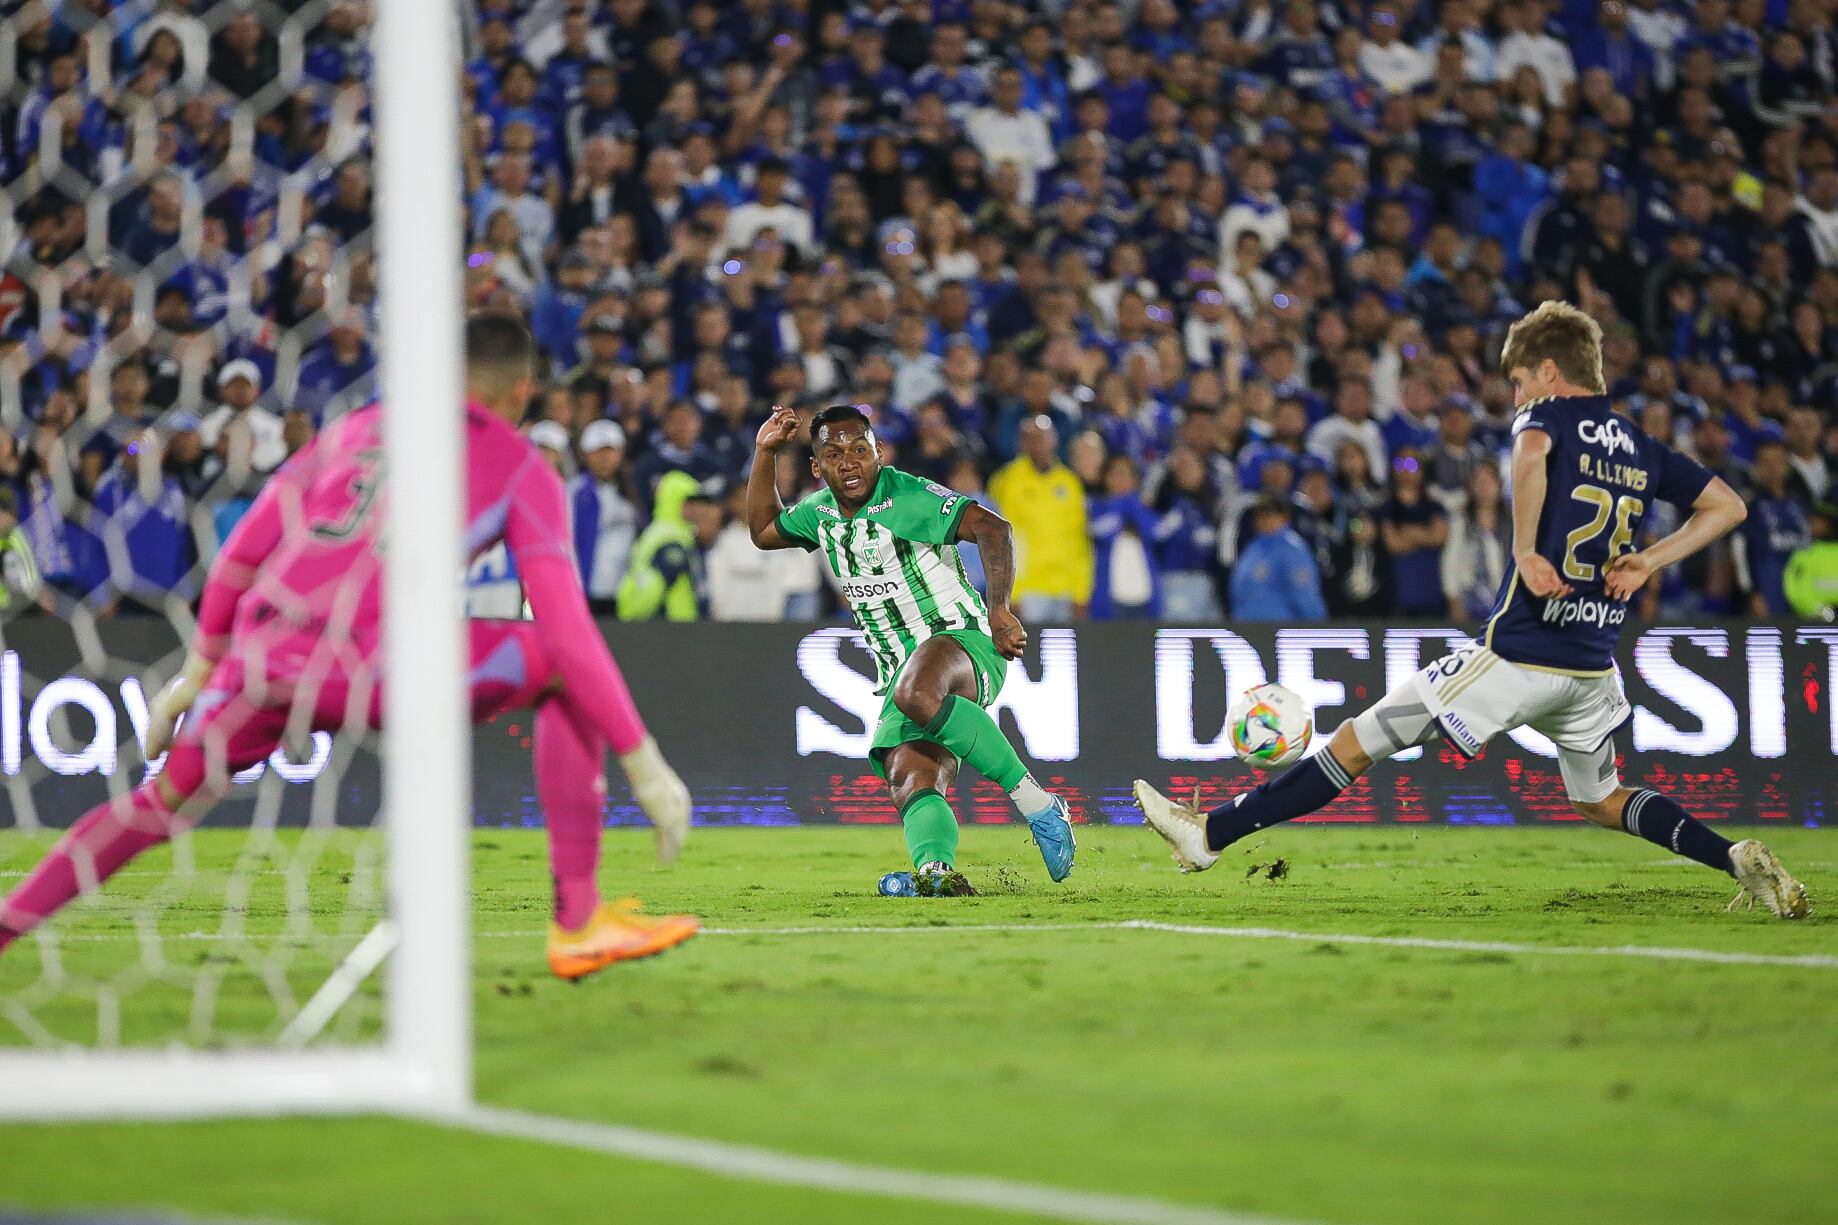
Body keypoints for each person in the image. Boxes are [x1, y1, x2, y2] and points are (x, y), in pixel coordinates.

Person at [0, 315, 699, 980]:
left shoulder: (354, 429)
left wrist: (196, 672)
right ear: (522, 391)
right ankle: (578, 917)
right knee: (552, 666)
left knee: (159, 804)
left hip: (261, 657)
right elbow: (566, 628)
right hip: (369, 664)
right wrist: (643, 760)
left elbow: (244, 551)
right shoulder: (522, 466)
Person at [1133, 302, 1808, 919]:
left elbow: (1532, 450)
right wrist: (1651, 559)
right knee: (1601, 798)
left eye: (1519, 382)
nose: (1517, 397)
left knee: (1356, 741)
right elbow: (1728, 506)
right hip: (1591, 668)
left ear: (1549, 370)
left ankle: (1209, 836)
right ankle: (1735, 857)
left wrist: (1524, 549)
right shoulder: (1638, 445)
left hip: (1515, 655)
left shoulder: (1548, 417)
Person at [747, 403, 1074, 892]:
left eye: (860, 449)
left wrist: (1000, 608)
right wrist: (765, 453)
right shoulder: (820, 514)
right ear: (817, 468)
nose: (849, 462)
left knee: (917, 692)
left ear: (879, 452)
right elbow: (764, 530)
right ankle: (934, 874)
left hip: (963, 641)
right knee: (911, 777)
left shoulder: (907, 495)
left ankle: (1040, 806)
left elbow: (993, 527)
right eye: (834, 454)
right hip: (901, 673)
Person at [987, 414, 1093, 622]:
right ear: (1021, 443)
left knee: (1062, 652)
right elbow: (998, 541)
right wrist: (1010, 593)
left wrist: (1081, 591)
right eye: (1031, 438)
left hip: (1065, 588)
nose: (1038, 444)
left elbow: (1079, 539)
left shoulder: (1069, 482)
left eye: (1043, 437)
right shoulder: (1006, 482)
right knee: (1027, 652)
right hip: (1028, 590)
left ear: (1054, 439)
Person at [617, 470, 711, 621]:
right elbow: (654, 585)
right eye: (688, 503)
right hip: (669, 624)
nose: (695, 509)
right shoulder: (669, 537)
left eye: (695, 503)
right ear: (674, 501)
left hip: (674, 625)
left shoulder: (666, 532)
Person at [1228, 496, 1328, 622]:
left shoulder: (1292, 549)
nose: (1263, 520)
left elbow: (1305, 595)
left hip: (1279, 631)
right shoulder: (1254, 546)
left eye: (1269, 514)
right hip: (1249, 630)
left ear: (1284, 518)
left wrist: (1317, 628)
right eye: (1260, 515)